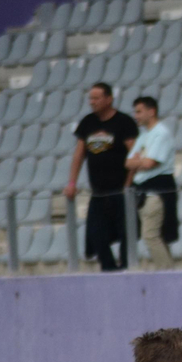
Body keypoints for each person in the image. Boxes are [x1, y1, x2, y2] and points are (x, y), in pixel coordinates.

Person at [65, 82, 138, 273]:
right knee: (96, 234)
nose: (92, 102)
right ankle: (108, 268)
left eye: (96, 98)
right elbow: (79, 155)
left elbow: (134, 154)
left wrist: (128, 185)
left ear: (109, 99)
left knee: (125, 233)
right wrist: (72, 182)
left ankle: (126, 267)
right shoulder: (88, 122)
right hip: (98, 192)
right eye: (90, 98)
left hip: (120, 190)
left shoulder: (123, 122)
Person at [124, 95, 178, 271]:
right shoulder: (145, 134)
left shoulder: (161, 133)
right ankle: (169, 270)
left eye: (139, 111)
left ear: (151, 111)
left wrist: (139, 161)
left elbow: (150, 163)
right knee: (155, 234)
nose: (136, 116)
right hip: (145, 190)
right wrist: (140, 161)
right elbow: (128, 162)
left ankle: (167, 272)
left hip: (156, 190)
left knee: (151, 234)